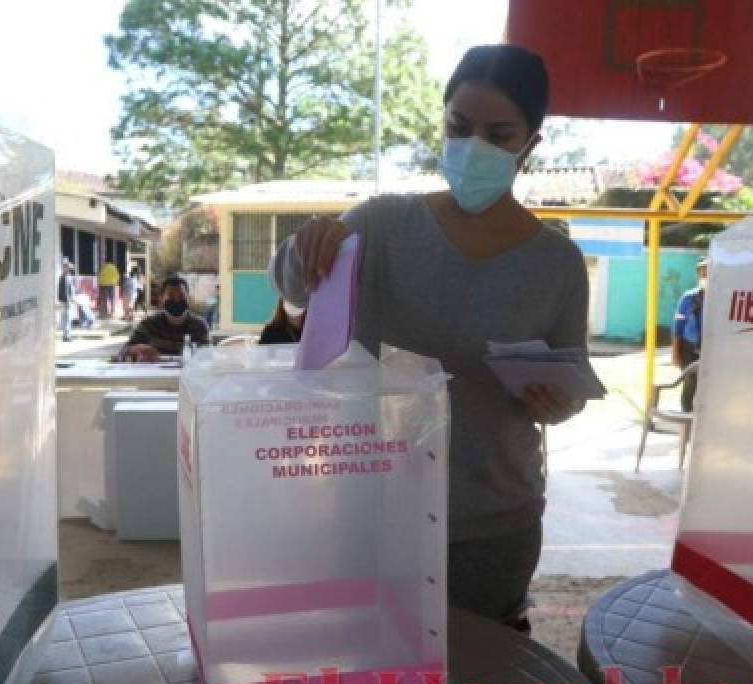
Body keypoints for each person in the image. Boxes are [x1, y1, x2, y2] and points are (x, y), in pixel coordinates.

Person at [269, 45, 588, 630]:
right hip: (372, 506)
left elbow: (567, 390)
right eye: (459, 128)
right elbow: (293, 287)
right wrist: (306, 244)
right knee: (366, 676)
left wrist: (556, 403)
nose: (474, 149)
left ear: (530, 145)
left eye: (499, 134)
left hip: (493, 523)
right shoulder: (382, 225)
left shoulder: (558, 264)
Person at [112, 275, 210, 362]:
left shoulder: (199, 325)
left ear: (188, 298)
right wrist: (137, 348)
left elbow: (206, 358)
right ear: (161, 299)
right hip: (155, 379)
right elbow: (124, 351)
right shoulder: (149, 324)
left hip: (188, 379)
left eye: (181, 296)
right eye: (170, 296)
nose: (176, 300)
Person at [671, 257, 707, 412]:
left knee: (707, 386)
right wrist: (675, 353)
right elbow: (677, 328)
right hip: (689, 349)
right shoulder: (689, 298)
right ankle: (686, 416)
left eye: (708, 270)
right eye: (702, 271)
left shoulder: (722, 298)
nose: (705, 274)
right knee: (690, 382)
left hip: (710, 349)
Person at [57, 259, 76, 342]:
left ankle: (66, 335)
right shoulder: (65, 277)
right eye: (69, 268)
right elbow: (65, 291)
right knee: (67, 318)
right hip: (66, 301)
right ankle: (67, 336)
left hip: (66, 300)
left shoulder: (65, 277)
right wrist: (68, 300)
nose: (70, 270)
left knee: (66, 318)